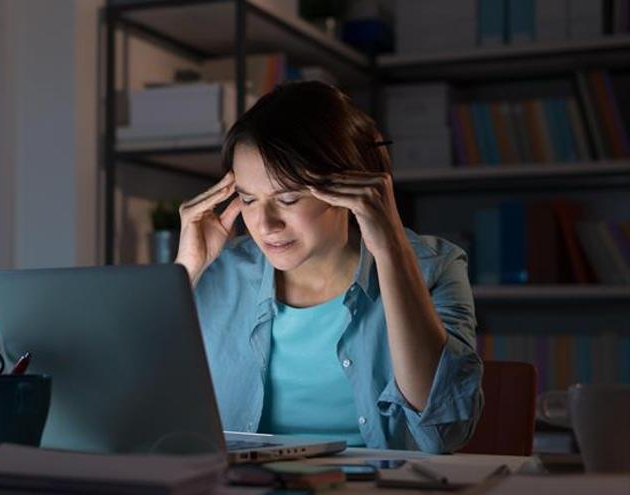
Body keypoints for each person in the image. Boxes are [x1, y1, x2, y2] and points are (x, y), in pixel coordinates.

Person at [175, 81, 482, 454]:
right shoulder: (217, 271)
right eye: (248, 199)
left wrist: (390, 250)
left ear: (350, 188)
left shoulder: (435, 267)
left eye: (288, 198)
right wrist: (186, 270)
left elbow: (444, 434)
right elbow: (133, 405)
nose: (265, 224)